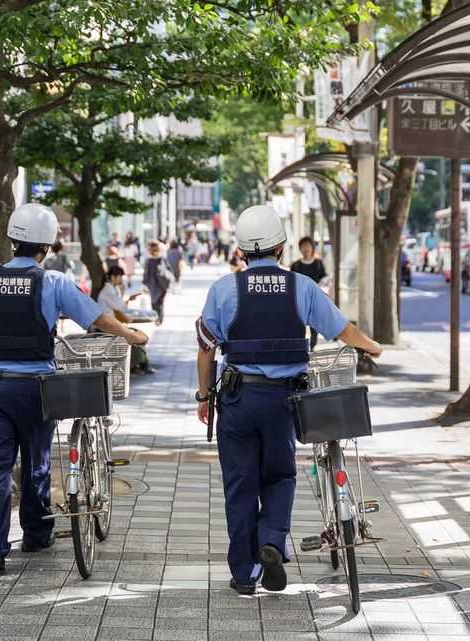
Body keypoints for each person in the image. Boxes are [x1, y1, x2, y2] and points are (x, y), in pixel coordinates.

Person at [194, 204, 382, 596]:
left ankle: (245, 575)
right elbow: (342, 329)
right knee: (280, 476)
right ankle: (273, 542)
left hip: (237, 399)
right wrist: (372, 346)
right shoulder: (302, 286)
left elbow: (206, 348)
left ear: (242, 250)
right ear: (281, 246)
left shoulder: (224, 289)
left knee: (239, 486)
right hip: (284, 402)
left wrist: (202, 398)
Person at [0, 203, 148, 573]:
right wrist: (131, 334)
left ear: (13, 239)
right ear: (45, 247)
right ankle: (36, 533)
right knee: (36, 461)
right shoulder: (52, 282)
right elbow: (95, 317)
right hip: (35, 388)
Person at [96, 265, 153, 374]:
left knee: (135, 334)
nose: (121, 280)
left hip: (111, 323)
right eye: (119, 277)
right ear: (113, 277)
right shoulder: (108, 290)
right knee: (135, 336)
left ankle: (141, 363)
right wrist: (128, 298)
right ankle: (140, 364)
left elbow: (118, 306)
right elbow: (119, 306)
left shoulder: (112, 289)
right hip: (107, 326)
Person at [289, 237, 329, 349]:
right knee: (299, 323)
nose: (306, 248)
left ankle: (313, 347)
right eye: (303, 246)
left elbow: (324, 278)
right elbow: (290, 282)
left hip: (314, 298)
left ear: (312, 248)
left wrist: (319, 287)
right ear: (300, 248)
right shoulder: (296, 265)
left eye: (308, 246)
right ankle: (300, 347)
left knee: (314, 325)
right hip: (299, 299)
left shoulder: (318, 264)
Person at [142, 241, 171, 326]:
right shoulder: (163, 259)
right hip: (163, 285)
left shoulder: (148, 261)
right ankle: (160, 319)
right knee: (160, 302)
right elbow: (169, 270)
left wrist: (144, 284)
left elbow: (146, 274)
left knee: (154, 302)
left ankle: (156, 319)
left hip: (152, 285)